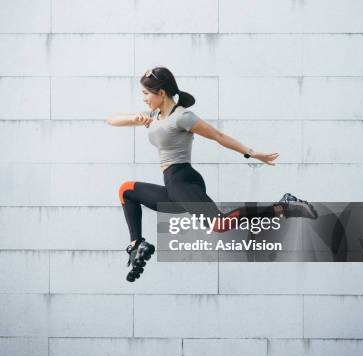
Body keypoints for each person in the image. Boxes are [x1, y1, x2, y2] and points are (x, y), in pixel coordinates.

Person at [107, 67, 317, 281]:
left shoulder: (182, 116)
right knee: (126, 191)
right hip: (173, 188)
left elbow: (218, 135)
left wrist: (252, 153)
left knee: (219, 225)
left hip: (183, 180)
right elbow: (111, 119)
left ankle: (285, 206)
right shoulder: (152, 116)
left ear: (161, 93)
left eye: (146, 93)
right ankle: (136, 245)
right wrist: (136, 117)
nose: (143, 99)